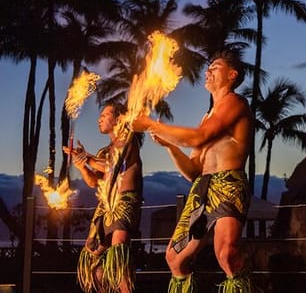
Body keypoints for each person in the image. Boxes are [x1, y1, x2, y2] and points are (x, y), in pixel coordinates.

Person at [132, 50, 254, 293]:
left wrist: (152, 124)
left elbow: (200, 137)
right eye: (208, 67)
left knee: (227, 254)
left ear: (232, 74)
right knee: (175, 258)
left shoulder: (235, 103)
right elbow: (193, 171)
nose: (207, 71)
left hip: (228, 183)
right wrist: (170, 146)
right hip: (203, 186)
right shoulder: (207, 116)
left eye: (215, 67)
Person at [64, 102, 143, 293]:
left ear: (118, 119)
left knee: (118, 253)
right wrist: (83, 165)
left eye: (105, 115)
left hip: (124, 202)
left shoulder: (128, 141)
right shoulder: (103, 152)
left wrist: (86, 158)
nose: (99, 119)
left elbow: (115, 165)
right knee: (92, 258)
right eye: (99, 116)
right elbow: (94, 182)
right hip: (104, 206)